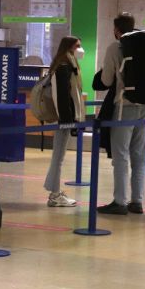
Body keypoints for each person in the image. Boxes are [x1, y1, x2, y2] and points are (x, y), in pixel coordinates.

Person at [96, 12, 145, 215]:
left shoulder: (115, 47)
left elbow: (107, 81)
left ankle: (119, 201)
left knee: (120, 156)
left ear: (116, 30)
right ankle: (137, 201)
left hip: (123, 107)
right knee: (138, 156)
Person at [43, 36, 85, 207]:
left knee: (58, 156)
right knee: (58, 156)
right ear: (69, 47)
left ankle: (54, 191)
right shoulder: (64, 66)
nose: (80, 50)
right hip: (64, 118)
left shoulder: (66, 63)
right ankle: (54, 195)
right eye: (77, 46)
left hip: (65, 116)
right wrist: (68, 121)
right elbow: (62, 96)